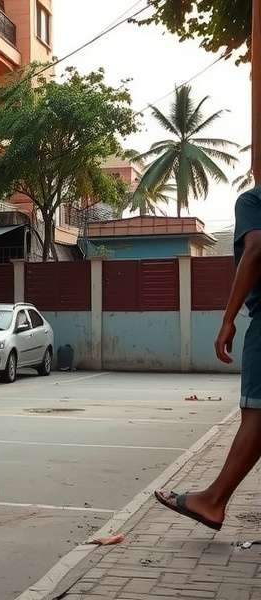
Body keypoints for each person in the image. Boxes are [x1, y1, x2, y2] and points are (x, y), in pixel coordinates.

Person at [155, 186, 261, 531]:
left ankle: (213, 500)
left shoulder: (253, 199)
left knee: (257, 411)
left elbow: (256, 247)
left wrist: (228, 318)